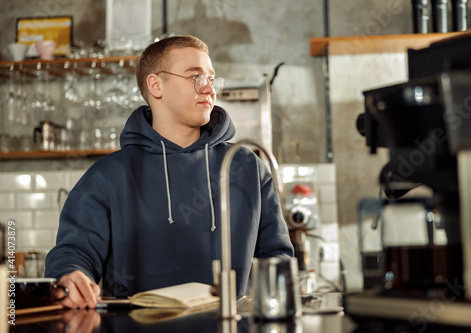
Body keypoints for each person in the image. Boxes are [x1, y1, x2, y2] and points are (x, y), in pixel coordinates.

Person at [45, 35, 294, 309]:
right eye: (196, 77)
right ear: (156, 85)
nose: (209, 89)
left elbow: (277, 255)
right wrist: (70, 276)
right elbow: (73, 254)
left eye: (212, 79)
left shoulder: (247, 166)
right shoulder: (106, 176)